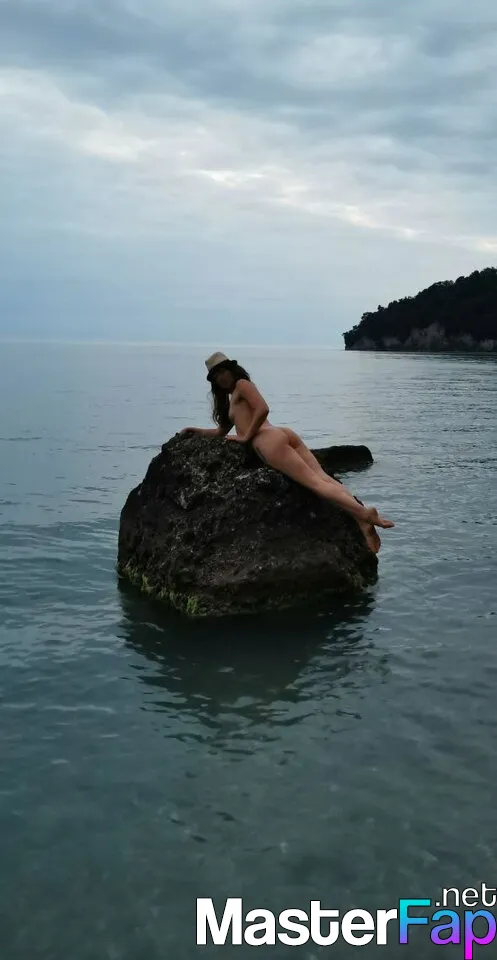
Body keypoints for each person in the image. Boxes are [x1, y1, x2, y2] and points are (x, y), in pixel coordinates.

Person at [180, 351, 394, 553]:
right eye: (216, 376)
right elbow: (220, 432)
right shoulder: (233, 398)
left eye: (222, 372)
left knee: (316, 484)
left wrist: (246, 437)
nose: (221, 378)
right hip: (280, 433)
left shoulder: (242, 385)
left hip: (267, 441)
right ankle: (361, 520)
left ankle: (365, 514)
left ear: (231, 370)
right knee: (323, 478)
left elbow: (263, 408)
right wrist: (194, 431)